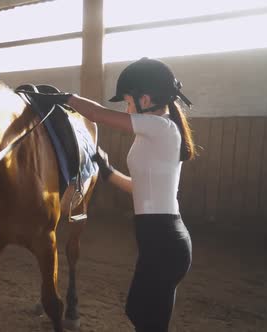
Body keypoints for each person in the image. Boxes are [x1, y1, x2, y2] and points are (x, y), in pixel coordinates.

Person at [37, 57, 194, 332]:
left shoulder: (161, 127)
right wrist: (107, 171)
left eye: (128, 101)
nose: (127, 107)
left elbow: (97, 115)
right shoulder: (156, 132)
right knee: (137, 310)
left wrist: (66, 98)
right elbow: (138, 187)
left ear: (146, 99)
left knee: (149, 320)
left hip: (164, 241)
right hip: (157, 239)